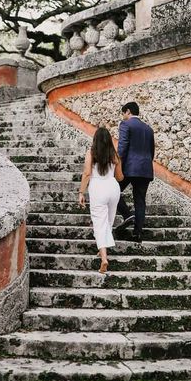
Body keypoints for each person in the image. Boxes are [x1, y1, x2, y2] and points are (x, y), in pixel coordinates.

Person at [79, 127, 123, 274]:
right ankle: (102, 248)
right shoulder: (114, 155)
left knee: (99, 222)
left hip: (98, 187)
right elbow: (120, 177)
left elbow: (86, 173)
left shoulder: (91, 153)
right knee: (109, 221)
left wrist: (81, 192)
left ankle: (104, 258)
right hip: (113, 187)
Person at [115, 101, 155, 243]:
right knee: (140, 201)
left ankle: (127, 215)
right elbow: (152, 151)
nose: (123, 116)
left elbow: (122, 148)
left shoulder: (125, 124)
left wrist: (117, 165)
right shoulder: (148, 129)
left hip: (129, 167)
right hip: (145, 169)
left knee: (113, 190)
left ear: (128, 112)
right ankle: (137, 234)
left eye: (123, 113)